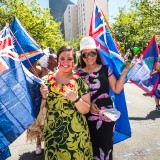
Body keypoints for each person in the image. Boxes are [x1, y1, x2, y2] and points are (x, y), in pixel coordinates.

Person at [78, 36, 130, 160]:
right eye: (85, 54)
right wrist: (89, 105)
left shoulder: (106, 69)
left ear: (97, 53)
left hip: (106, 118)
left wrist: (124, 73)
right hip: (85, 119)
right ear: (81, 56)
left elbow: (117, 89)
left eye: (92, 53)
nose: (89, 57)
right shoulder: (78, 73)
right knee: (89, 150)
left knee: (105, 150)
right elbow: (76, 96)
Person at [40, 45, 93, 160]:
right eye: (62, 58)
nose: (65, 62)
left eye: (69, 59)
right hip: (53, 134)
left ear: (74, 62)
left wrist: (76, 99)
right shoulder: (45, 81)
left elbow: (86, 109)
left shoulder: (80, 82)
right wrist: (43, 97)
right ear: (57, 60)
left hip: (76, 135)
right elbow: (38, 109)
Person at [27, 47, 57, 154]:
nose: (57, 60)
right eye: (55, 59)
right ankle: (38, 144)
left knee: (50, 125)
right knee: (39, 125)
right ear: (49, 60)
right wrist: (34, 54)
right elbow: (32, 68)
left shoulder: (58, 71)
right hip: (41, 103)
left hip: (53, 104)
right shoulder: (42, 69)